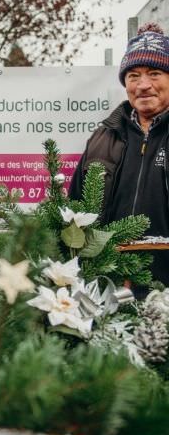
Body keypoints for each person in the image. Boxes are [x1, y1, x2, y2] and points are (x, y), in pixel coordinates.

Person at [69, 22, 169, 286]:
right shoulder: (103, 138)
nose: (143, 85)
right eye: (133, 75)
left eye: (155, 73)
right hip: (108, 283)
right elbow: (75, 210)